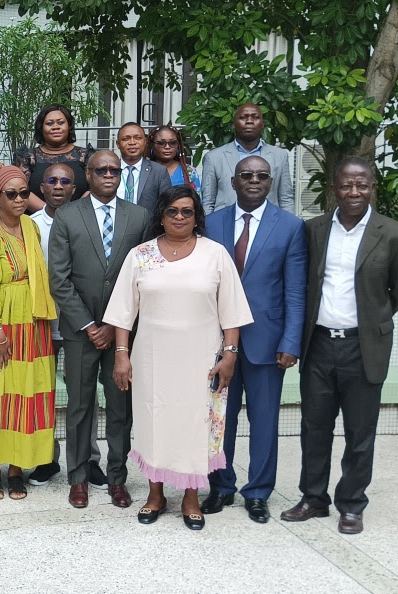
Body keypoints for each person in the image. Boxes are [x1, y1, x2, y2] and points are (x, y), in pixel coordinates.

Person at [103, 186, 253, 530]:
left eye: (187, 211)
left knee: (194, 426)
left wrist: (230, 354)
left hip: (202, 360)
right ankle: (155, 494)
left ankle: (190, 497)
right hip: (152, 359)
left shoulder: (215, 255)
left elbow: (232, 310)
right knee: (154, 424)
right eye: (173, 211)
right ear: (161, 215)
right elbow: (123, 313)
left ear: (196, 216)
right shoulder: (141, 255)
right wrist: (121, 357)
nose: (180, 217)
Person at [280, 157, 398, 535]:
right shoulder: (314, 230)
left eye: (362, 185)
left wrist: (371, 320)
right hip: (319, 345)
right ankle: (313, 497)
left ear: (373, 187)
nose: (354, 192)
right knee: (314, 427)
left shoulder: (396, 235)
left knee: (360, 432)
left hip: (363, 348)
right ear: (334, 188)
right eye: (346, 185)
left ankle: (352, 504)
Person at [201, 156, 308, 523]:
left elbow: (295, 291)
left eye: (262, 176)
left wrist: (291, 342)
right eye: (246, 175)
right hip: (218, 344)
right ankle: (221, 487)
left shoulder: (291, 227)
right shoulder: (211, 223)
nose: (254, 181)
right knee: (219, 421)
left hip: (268, 342)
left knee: (264, 422)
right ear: (233, 181)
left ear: (271, 181)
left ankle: (259, 492)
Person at [47, 151, 150, 509]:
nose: (109, 175)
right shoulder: (67, 216)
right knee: (79, 406)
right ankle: (77, 477)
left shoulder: (138, 217)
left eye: (114, 170)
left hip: (123, 333)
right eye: (101, 170)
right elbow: (58, 280)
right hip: (80, 332)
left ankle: (117, 479)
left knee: (121, 408)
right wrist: (90, 325)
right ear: (87, 175)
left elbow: (144, 275)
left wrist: (114, 324)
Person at [0, 165, 58, 501]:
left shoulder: (31, 227)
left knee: (25, 392)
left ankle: (17, 466)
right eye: (12, 194)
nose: (20, 199)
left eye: (24, 192)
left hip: (31, 321)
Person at [26, 162, 97, 488]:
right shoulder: (30, 226)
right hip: (40, 323)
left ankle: (89, 459)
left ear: (74, 189)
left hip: (78, 323)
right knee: (41, 393)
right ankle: (45, 458)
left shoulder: (89, 221)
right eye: (51, 181)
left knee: (84, 394)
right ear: (41, 188)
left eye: (64, 181)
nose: (57, 186)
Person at [200, 103, 294, 213]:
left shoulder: (279, 156)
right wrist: (209, 228)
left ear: (263, 124)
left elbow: (286, 199)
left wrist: (288, 228)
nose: (249, 121)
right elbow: (208, 202)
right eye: (243, 117)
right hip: (226, 225)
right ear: (233, 124)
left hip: (269, 225)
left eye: (255, 117)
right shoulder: (214, 157)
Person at [17, 104, 92, 211]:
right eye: (49, 123)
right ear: (41, 128)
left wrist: (73, 214)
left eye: (61, 123)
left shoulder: (85, 156)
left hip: (79, 218)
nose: (56, 127)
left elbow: (94, 189)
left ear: (69, 126)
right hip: (37, 220)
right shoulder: (27, 157)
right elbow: (21, 190)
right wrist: (49, 214)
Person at [115, 122, 168, 214]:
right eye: (126, 139)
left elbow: (166, 206)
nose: (132, 143)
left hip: (147, 227)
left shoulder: (159, 171)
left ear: (145, 141)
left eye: (138, 138)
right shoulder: (109, 170)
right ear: (118, 144)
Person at [147, 124, 201, 194]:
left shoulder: (189, 171)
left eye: (172, 143)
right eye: (161, 143)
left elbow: (197, 200)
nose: (167, 147)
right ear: (152, 145)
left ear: (178, 145)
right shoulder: (143, 169)